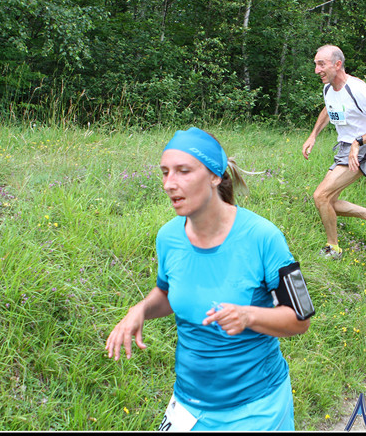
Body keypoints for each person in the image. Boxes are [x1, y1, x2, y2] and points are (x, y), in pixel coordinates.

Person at [105, 127, 312, 431]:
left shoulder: (264, 237)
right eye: (165, 172)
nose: (169, 184)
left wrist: (248, 316)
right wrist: (140, 310)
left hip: (256, 408)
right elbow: (167, 293)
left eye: (183, 171)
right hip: (188, 405)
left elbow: (301, 319)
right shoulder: (168, 237)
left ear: (215, 176)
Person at [302, 45, 366, 259]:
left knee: (320, 195)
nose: (317, 70)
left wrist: (358, 141)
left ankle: (333, 248)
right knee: (327, 202)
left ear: (337, 64)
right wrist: (313, 135)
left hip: (362, 150)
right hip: (344, 148)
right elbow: (328, 109)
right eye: (316, 64)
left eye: (321, 64)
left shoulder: (357, 89)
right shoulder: (328, 88)